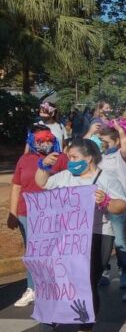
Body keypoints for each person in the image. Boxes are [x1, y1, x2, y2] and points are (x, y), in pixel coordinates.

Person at [26, 139, 126, 332]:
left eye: (74, 158)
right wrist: (43, 166)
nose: (70, 162)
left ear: (88, 157)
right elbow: (42, 183)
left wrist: (105, 201)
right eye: (69, 158)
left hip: (98, 234)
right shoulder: (65, 177)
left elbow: (120, 206)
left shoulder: (106, 178)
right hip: (65, 236)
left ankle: (85, 329)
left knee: (86, 281)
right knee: (56, 281)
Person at [8, 126, 69, 307]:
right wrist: (12, 213)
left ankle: (56, 286)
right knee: (32, 252)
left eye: (49, 140)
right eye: (40, 141)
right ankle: (32, 288)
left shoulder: (61, 158)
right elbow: (16, 186)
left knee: (53, 251)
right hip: (26, 212)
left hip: (52, 213)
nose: (45, 144)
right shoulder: (24, 159)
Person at [97, 124, 126, 288]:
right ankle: (103, 272)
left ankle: (124, 273)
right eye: (100, 140)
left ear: (116, 141)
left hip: (117, 205)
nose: (101, 143)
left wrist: (120, 129)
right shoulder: (99, 157)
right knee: (102, 241)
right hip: (99, 206)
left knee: (119, 240)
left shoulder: (121, 156)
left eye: (104, 141)